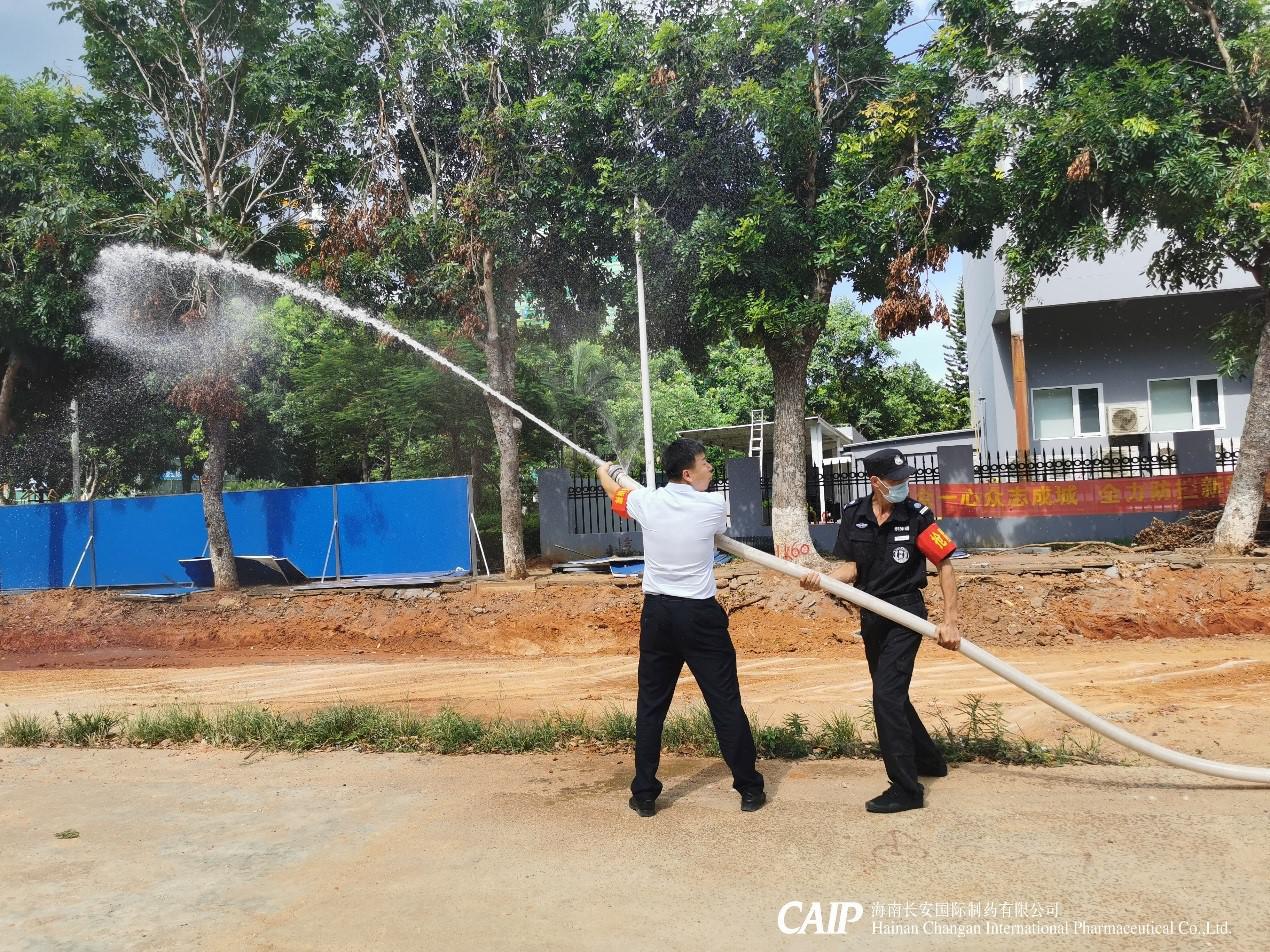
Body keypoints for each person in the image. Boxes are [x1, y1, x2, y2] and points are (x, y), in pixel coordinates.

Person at [596, 438, 765, 817]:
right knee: (724, 703)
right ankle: (749, 788)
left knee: (651, 706)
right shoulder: (713, 505)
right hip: (699, 617)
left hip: (658, 616)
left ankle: (644, 794)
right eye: (704, 463)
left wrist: (604, 471)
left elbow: (615, 493)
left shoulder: (648, 502)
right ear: (688, 474)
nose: (710, 468)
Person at [800, 448, 962, 814]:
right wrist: (823, 580)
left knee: (886, 697)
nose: (904, 484)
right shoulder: (854, 514)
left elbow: (945, 565)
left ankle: (906, 789)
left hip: (906, 614)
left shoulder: (918, 515)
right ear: (875, 482)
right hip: (871, 614)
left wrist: (950, 620)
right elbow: (853, 568)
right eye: (896, 480)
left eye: (905, 478)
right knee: (892, 694)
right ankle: (929, 760)